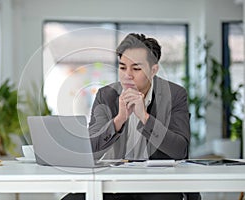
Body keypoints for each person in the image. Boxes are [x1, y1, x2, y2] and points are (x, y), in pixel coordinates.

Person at [62, 33, 200, 200]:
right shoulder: (106, 95)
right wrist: (119, 120)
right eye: (122, 67)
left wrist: (145, 118)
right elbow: (91, 150)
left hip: (158, 184)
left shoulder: (175, 94)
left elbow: (180, 150)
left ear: (153, 70)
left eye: (136, 68)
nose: (127, 74)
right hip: (115, 183)